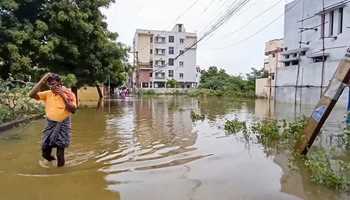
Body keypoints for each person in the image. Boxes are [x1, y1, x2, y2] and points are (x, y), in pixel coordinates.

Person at [29, 73, 77, 167]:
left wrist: (63, 96)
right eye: (49, 84)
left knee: (60, 153)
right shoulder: (47, 94)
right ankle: (51, 160)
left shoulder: (69, 94)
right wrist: (42, 81)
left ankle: (60, 173)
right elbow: (31, 95)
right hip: (50, 124)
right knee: (45, 152)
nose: (51, 86)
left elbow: (73, 110)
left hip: (64, 124)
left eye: (54, 83)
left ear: (59, 83)